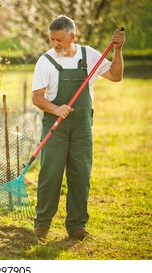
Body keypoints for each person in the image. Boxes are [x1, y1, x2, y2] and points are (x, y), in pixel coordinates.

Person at [31, 15, 125, 241]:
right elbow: (37, 98)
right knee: (50, 176)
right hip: (56, 126)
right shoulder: (46, 61)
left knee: (80, 177)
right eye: (52, 39)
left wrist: (118, 50)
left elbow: (115, 75)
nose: (55, 44)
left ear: (72, 37)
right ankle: (42, 226)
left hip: (82, 128)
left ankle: (76, 227)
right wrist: (56, 109)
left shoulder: (89, 55)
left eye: (60, 40)